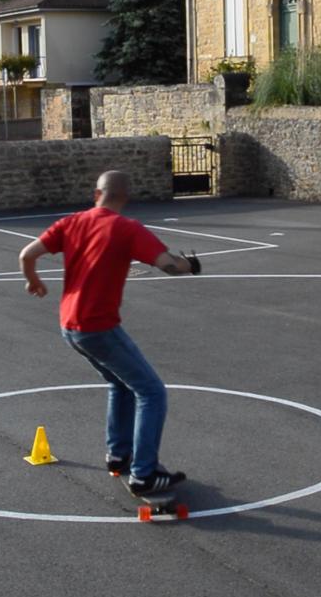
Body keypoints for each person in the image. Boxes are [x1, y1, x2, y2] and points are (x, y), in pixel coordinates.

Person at [19, 170, 200, 495]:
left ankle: (118, 455)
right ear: (125, 198)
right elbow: (166, 264)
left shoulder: (73, 222)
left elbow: (27, 254)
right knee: (152, 392)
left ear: (96, 194)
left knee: (120, 384)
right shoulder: (127, 228)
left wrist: (33, 280)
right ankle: (144, 474)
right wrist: (191, 265)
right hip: (98, 326)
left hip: (70, 326)